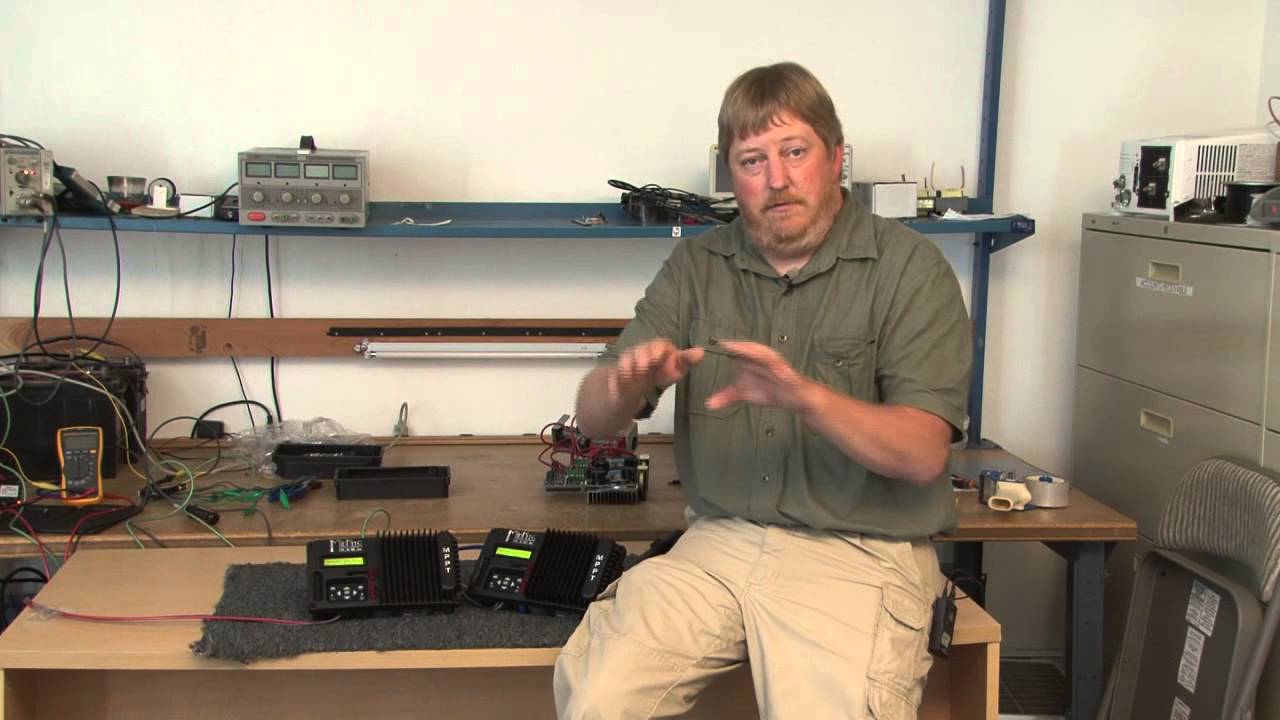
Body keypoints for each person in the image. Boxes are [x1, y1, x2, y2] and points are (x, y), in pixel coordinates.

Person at [554, 61, 972, 719]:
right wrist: (621, 385)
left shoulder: (911, 270)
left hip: (862, 554)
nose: (777, 179)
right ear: (732, 175)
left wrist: (806, 398)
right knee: (599, 699)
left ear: (835, 156)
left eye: (794, 152)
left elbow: (922, 454)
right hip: (718, 543)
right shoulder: (696, 267)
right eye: (753, 161)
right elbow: (595, 418)